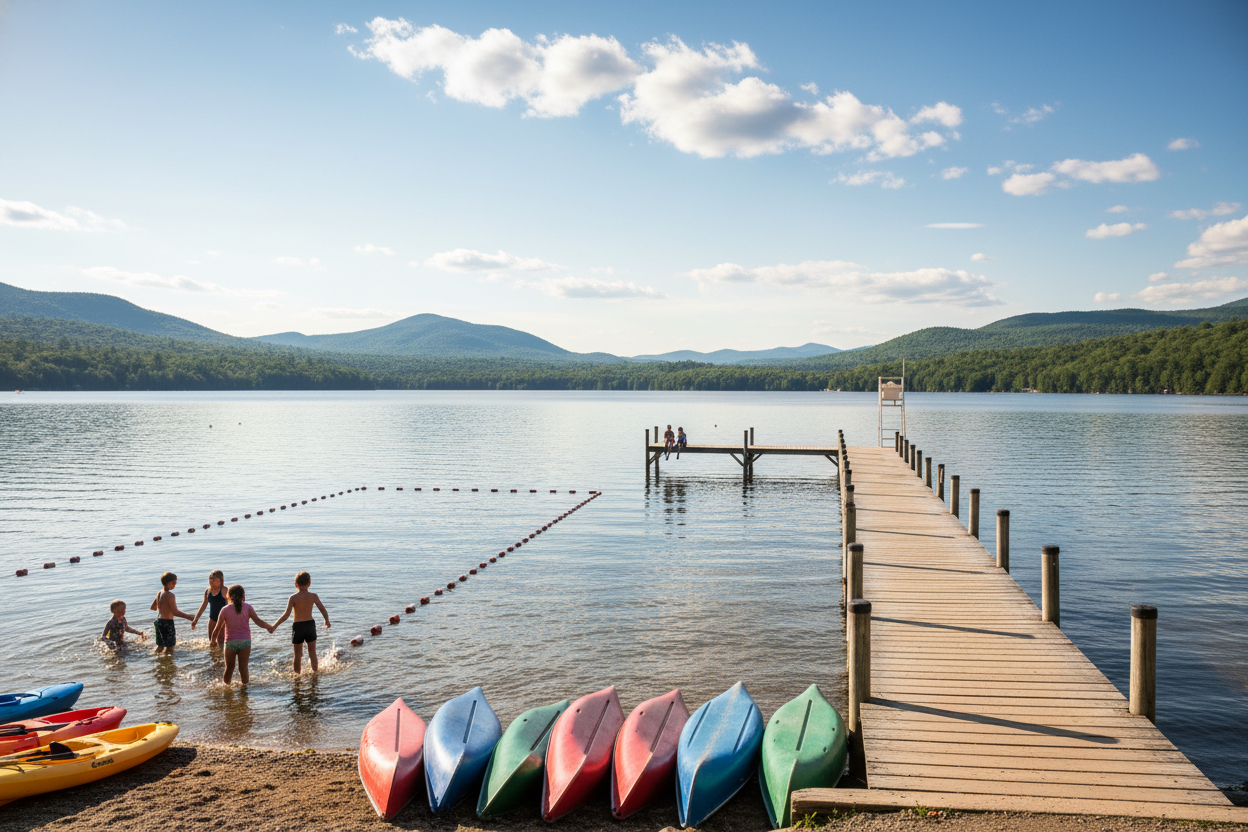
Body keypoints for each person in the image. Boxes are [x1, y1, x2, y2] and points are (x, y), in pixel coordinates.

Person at [211, 584, 275, 686]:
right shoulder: (248, 607)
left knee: (229, 668)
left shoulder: (225, 610)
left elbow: (217, 628)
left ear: (228, 596)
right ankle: (244, 690)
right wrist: (269, 627)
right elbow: (258, 621)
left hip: (230, 642)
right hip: (245, 642)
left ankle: (227, 689)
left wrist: (212, 641)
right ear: (243, 596)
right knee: (243, 668)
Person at [270, 571, 332, 674]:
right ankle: (315, 673)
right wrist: (327, 621)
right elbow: (323, 610)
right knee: (312, 653)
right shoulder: (313, 596)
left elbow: (286, 615)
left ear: (296, 584)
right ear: (309, 583)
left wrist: (274, 626)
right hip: (310, 625)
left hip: (298, 627)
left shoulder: (293, 598)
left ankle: (297, 676)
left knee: (297, 655)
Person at [149, 572, 194, 655]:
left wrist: (163, 607)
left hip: (158, 622)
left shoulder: (159, 593)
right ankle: (167, 660)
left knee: (160, 646)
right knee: (170, 647)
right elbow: (175, 612)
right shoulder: (170, 595)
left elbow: (153, 607)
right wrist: (189, 616)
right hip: (167, 623)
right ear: (170, 583)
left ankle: (155, 658)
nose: (175, 585)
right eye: (174, 583)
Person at [190, 569, 228, 648]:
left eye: (214, 581)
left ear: (221, 581)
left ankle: (221, 655)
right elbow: (203, 606)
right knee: (211, 640)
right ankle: (213, 655)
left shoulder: (225, 590)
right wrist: (195, 620)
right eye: (210, 581)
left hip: (223, 619)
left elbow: (231, 606)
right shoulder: (208, 591)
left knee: (221, 641)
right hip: (212, 619)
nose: (212, 583)